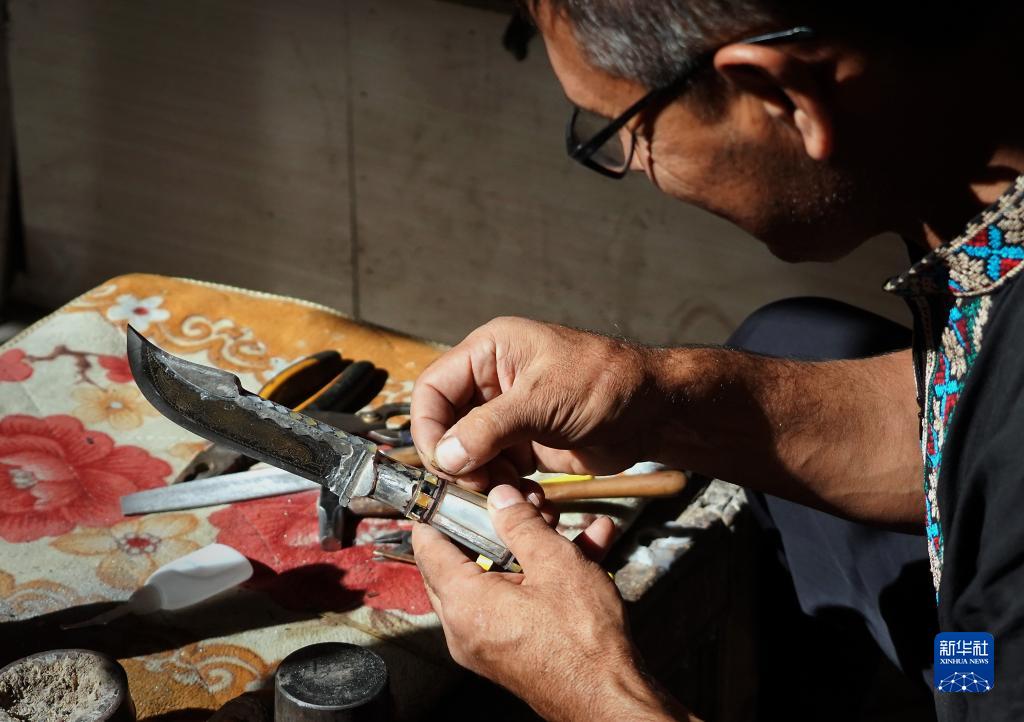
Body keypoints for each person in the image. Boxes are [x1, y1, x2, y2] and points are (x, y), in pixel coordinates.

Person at [408, 2, 1024, 720]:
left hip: (989, 672)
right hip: (976, 646)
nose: (631, 165)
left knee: (966, 677)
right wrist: (651, 399)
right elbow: (962, 419)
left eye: (626, 131)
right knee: (790, 336)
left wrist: (588, 688)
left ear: (783, 96)